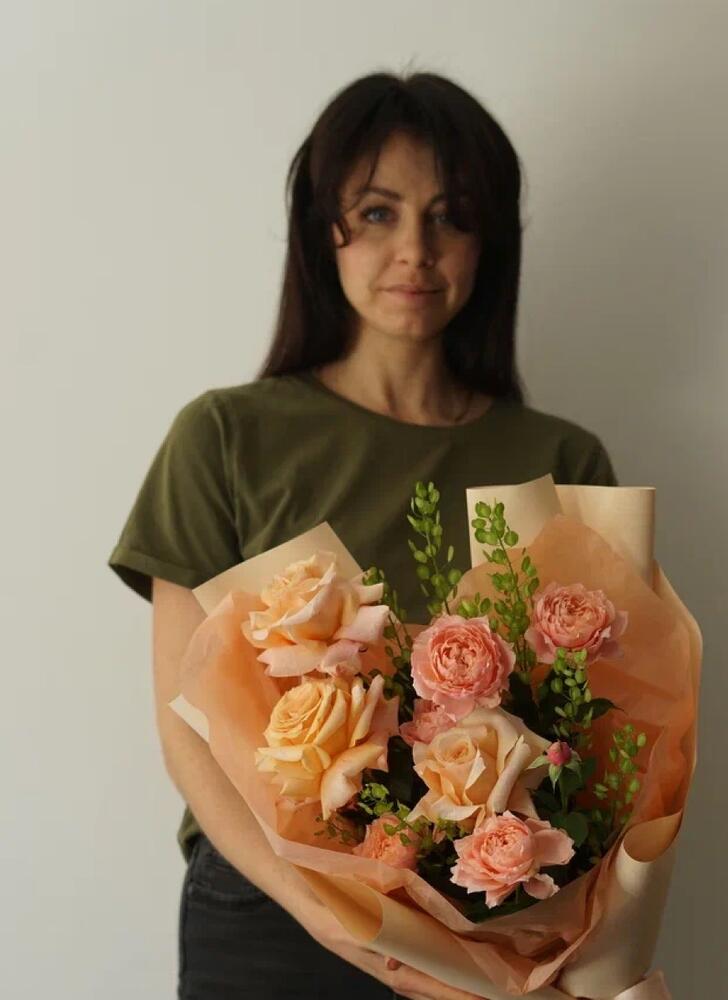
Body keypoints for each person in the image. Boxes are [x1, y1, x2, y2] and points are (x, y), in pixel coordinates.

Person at [108, 70, 618, 1000]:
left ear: (491, 241)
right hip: (273, 913)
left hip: (496, 908)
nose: (415, 250)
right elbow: (189, 730)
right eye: (378, 213)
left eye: (451, 217)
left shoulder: (562, 459)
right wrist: (325, 913)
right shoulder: (226, 437)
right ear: (323, 231)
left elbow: (607, 736)